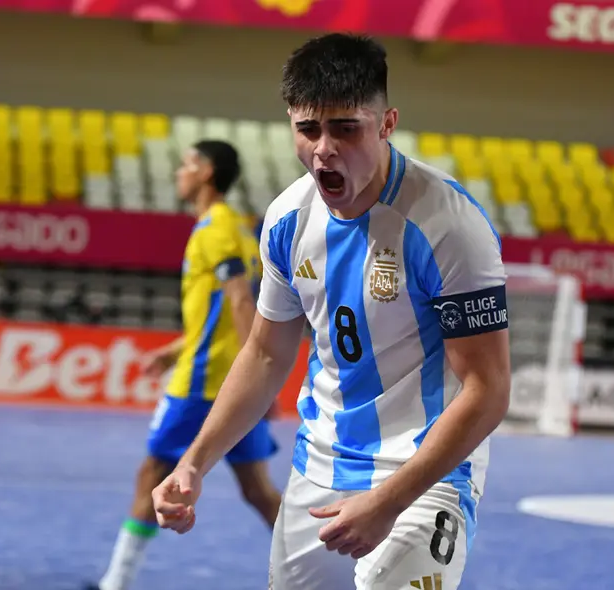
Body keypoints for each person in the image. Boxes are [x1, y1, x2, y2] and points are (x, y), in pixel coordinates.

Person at [152, 34, 512, 590]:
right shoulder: (287, 220)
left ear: (387, 124)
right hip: (318, 468)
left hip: (422, 476)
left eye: (346, 128)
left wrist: (388, 501)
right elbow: (265, 354)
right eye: (308, 129)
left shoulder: (448, 225)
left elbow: (487, 389)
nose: (324, 149)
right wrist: (194, 462)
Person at [86, 140, 282, 590]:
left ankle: (115, 584)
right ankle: (324, 574)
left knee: (151, 475)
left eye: (188, 164)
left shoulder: (216, 230)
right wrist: (175, 351)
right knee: (257, 491)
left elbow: (240, 303)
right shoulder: (236, 228)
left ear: (207, 172)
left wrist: (261, 375)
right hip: (229, 379)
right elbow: (221, 314)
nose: (179, 171)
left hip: (202, 383)